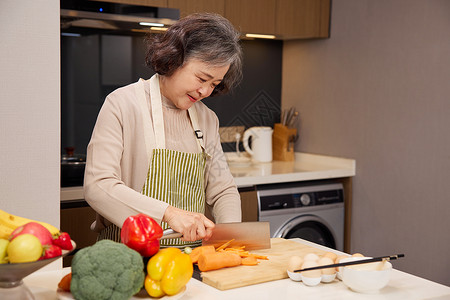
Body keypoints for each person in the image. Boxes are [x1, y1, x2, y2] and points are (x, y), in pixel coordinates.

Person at [83, 13, 243, 248]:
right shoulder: (122, 104)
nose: (205, 92)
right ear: (174, 59)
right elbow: (98, 186)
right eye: (202, 78)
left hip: (190, 260)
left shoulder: (207, 119)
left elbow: (223, 190)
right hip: (129, 255)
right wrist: (167, 213)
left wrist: (230, 238)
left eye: (214, 84)